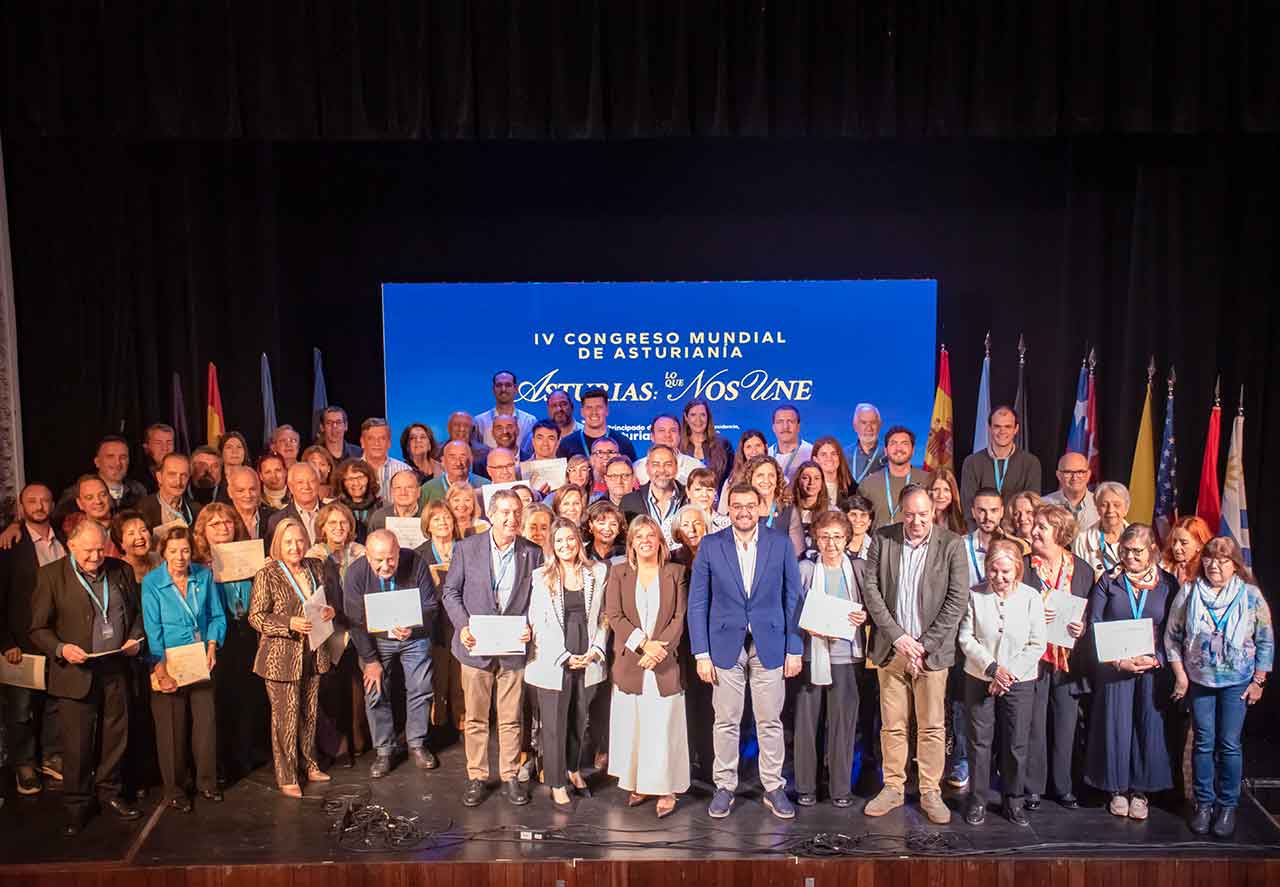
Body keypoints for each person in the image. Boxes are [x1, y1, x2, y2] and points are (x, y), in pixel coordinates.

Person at [688, 484, 803, 820]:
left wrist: (794, 648)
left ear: (761, 507)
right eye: (736, 506)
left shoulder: (780, 544)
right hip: (724, 647)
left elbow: (792, 598)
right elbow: (698, 603)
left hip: (770, 644)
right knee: (726, 721)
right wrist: (701, 653)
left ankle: (773, 786)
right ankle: (725, 786)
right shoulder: (711, 546)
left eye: (750, 506)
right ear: (728, 509)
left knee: (770, 721)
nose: (743, 512)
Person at [860, 484, 969, 825]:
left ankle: (930, 791)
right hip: (892, 650)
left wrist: (923, 645)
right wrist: (899, 638)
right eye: (910, 515)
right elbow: (872, 590)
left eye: (923, 515)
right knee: (892, 726)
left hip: (930, 654)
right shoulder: (883, 539)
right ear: (901, 513)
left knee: (932, 726)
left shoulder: (951, 545)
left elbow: (957, 600)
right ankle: (893, 787)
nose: (917, 521)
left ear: (934, 512)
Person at [29, 520, 144, 835]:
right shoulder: (51, 576)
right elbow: (37, 628)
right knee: (77, 744)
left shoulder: (120, 570)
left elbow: (137, 615)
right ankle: (77, 805)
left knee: (115, 738)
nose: (95, 556)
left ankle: (110, 793)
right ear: (71, 546)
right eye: (88, 551)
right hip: (75, 673)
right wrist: (62, 648)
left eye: (99, 549)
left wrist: (136, 638)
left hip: (115, 668)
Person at [441, 490, 544, 807]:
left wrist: (530, 625)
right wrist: (464, 626)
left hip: (513, 649)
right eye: (504, 512)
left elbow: (537, 599)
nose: (511, 518)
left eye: (516, 512)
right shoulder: (466, 548)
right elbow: (450, 593)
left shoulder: (533, 552)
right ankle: (477, 776)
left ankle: (511, 776)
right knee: (475, 719)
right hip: (475, 648)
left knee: (511, 718)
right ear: (490, 515)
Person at [1166, 536, 1273, 838]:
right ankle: (1204, 804)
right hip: (1199, 681)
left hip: (1236, 683)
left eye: (1223, 559)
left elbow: (1265, 638)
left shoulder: (1250, 596)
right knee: (1203, 742)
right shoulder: (1189, 592)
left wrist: (1259, 681)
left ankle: (1227, 806)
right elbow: (1172, 636)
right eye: (1210, 558)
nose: (1215, 564)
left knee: (1228, 744)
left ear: (1235, 565)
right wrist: (1180, 674)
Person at [1084, 523, 1177, 820]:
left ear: (1152, 550)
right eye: (1125, 550)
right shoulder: (1108, 582)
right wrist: (1116, 661)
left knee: (1148, 726)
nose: (1131, 556)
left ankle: (1141, 791)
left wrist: (1158, 659)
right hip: (1116, 669)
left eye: (1138, 551)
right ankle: (1116, 789)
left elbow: (1174, 630)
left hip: (1153, 669)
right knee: (1115, 726)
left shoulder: (1167, 584)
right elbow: (1095, 625)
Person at [957, 539, 1046, 826]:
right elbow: (965, 638)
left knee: (1015, 744)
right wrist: (993, 669)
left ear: (1018, 570)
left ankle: (1013, 801)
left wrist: (1007, 675)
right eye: (993, 571)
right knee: (979, 743)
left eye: (1006, 572)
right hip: (980, 677)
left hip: (1019, 681)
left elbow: (1037, 643)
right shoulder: (974, 595)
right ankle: (978, 801)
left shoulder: (1031, 597)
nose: (999, 578)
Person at [606, 515, 690, 818]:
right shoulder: (618, 573)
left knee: (663, 727)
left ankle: (666, 788)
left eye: (651, 535)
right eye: (639, 536)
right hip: (632, 662)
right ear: (631, 543)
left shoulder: (676, 572)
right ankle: (640, 783)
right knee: (635, 727)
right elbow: (614, 615)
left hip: (664, 664)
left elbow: (679, 618)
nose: (645, 540)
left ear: (660, 542)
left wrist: (658, 651)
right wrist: (644, 644)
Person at [248, 519, 336, 798]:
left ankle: (310, 764)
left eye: (299, 540)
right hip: (281, 657)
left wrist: (328, 612)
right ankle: (287, 775)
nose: (295, 547)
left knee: (310, 713)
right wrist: (289, 623)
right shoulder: (268, 573)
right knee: (285, 719)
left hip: (314, 650)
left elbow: (321, 602)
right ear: (278, 545)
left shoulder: (315, 566)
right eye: (288, 542)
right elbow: (256, 617)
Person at [525, 518, 609, 806]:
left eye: (570, 539)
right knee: (554, 722)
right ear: (552, 544)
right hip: (554, 658)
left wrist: (595, 649)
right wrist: (563, 656)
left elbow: (604, 617)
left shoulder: (597, 572)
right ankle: (556, 781)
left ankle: (573, 770)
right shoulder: (541, 576)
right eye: (559, 541)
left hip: (587, 654)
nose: (566, 545)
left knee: (578, 718)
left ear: (579, 540)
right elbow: (538, 621)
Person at [141, 526, 225, 812]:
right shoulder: (152, 582)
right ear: (163, 552)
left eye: (185, 550)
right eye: (173, 551)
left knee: (206, 724)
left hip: (201, 658)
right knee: (171, 729)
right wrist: (160, 668)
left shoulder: (203, 575)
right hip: (169, 661)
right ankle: (175, 789)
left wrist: (213, 645)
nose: (180, 557)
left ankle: (207, 783)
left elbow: (216, 615)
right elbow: (152, 629)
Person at [344, 529, 438, 777]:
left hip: (413, 636)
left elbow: (430, 604)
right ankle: (385, 750)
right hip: (375, 640)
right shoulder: (355, 573)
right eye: (379, 560)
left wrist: (414, 624)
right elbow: (355, 621)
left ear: (399, 551)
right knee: (375, 690)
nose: (386, 565)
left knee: (421, 686)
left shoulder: (416, 562)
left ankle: (417, 743)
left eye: (391, 558)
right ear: (367, 556)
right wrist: (370, 660)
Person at [794, 511, 868, 808]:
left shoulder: (860, 569)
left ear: (847, 538)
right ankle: (805, 787)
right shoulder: (805, 570)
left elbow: (873, 606)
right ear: (815, 538)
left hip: (847, 657)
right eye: (824, 537)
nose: (831, 544)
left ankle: (840, 788)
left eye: (837, 537)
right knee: (807, 725)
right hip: (812, 656)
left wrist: (865, 616)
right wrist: (804, 622)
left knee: (843, 725)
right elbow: (790, 608)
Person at [192, 503, 267, 785]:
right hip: (217, 637)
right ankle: (222, 763)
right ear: (203, 531)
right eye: (215, 524)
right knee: (221, 699)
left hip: (247, 631)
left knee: (248, 694)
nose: (223, 528)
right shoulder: (197, 564)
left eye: (227, 523)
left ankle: (245, 754)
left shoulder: (247, 556)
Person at [1023, 504, 1093, 810]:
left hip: (1069, 662)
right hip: (1034, 658)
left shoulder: (1083, 569)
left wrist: (1083, 627)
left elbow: (1093, 613)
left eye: (1042, 527)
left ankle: (1063, 786)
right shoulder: (1024, 567)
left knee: (1066, 724)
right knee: (1034, 723)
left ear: (1060, 533)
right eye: (1034, 525)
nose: (1034, 531)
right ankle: (1033, 787)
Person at [0, 484, 67, 796]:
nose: (39, 506)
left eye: (44, 500)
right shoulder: (10, 544)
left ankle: (52, 758)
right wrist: (5, 642)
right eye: (32, 501)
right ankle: (24, 765)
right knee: (21, 708)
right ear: (20, 506)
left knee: (56, 702)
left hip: (58, 639)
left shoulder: (66, 539)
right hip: (21, 642)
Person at [943, 486, 1005, 792]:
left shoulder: (1012, 547)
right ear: (972, 511)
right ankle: (963, 759)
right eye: (981, 510)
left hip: (1000, 636)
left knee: (1001, 700)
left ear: (1002, 511)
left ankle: (999, 763)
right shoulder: (957, 545)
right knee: (962, 701)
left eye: (993, 510)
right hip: (964, 634)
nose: (987, 516)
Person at [309, 501, 370, 768]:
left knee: (357, 688)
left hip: (356, 628)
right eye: (332, 523)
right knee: (330, 692)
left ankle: (358, 740)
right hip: (327, 634)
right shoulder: (313, 555)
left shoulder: (360, 552)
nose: (338, 528)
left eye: (343, 523)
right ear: (322, 527)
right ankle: (337, 745)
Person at [417, 502, 465, 732]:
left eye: (447, 517)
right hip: (434, 622)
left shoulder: (466, 548)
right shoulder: (420, 554)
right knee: (437, 670)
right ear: (427, 525)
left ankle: (461, 716)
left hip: (461, 618)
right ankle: (438, 721)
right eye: (436, 519)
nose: (443, 523)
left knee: (460, 672)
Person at [959, 406, 1043, 519]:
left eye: (1008, 426)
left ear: (1016, 429)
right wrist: (978, 535)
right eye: (997, 426)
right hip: (982, 530)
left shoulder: (1031, 463)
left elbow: (1032, 506)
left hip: (1017, 532)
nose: (1002, 431)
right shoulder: (972, 462)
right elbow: (968, 506)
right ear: (989, 428)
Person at [50, 435, 146, 528]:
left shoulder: (138, 490)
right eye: (110, 456)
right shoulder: (74, 494)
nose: (117, 463)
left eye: (123, 457)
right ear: (97, 462)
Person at [857, 426, 930, 529]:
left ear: (913, 450)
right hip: (877, 544)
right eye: (893, 443)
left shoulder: (928, 481)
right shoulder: (868, 484)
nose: (899, 448)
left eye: (904, 443)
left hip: (917, 543)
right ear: (886, 450)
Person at [619, 444, 686, 543]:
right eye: (655, 464)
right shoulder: (629, 502)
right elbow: (623, 541)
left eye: (668, 464)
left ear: (676, 467)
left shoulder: (689, 498)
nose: (662, 470)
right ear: (647, 468)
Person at [554, 387, 637, 461]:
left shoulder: (623, 443)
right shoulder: (567, 444)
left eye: (599, 407)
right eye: (589, 408)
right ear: (582, 412)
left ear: (607, 410)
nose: (594, 412)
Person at [1072, 481, 1131, 580]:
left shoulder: (1140, 538)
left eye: (1116, 505)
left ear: (1126, 509)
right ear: (1097, 509)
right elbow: (1078, 580)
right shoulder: (1082, 539)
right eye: (1104, 505)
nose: (1110, 510)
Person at [679, 398, 733, 492]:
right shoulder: (678, 447)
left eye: (702, 415)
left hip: (718, 503)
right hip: (685, 504)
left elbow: (732, 478)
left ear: (708, 417)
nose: (698, 420)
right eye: (693, 415)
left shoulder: (723, 445)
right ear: (686, 417)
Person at [474, 370, 538, 450]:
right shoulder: (480, 422)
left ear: (515, 389)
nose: (503, 389)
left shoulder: (529, 421)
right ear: (493, 389)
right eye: (499, 385)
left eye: (508, 385)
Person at [265, 462, 325, 545]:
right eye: (300, 482)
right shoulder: (277, 520)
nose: (307, 486)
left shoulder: (333, 514)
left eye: (312, 481)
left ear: (318, 483)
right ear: (290, 486)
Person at [139, 453, 202, 530]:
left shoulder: (197, 510)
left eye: (184, 475)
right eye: (172, 475)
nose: (178, 482)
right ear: (159, 477)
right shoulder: (142, 509)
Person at [634, 414, 702, 485]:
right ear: (652, 436)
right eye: (661, 430)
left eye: (673, 430)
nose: (667, 435)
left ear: (679, 436)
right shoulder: (637, 468)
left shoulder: (696, 467)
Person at [715, 429, 768, 514]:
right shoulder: (732, 480)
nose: (754, 451)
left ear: (765, 447)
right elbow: (722, 512)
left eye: (758, 445)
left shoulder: (775, 476)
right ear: (743, 451)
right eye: (748, 447)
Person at [1043, 452, 1098, 534]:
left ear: (1088, 475)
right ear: (1058, 475)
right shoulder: (1043, 504)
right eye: (1068, 472)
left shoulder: (1100, 504)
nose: (1074, 478)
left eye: (1080, 472)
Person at [359, 418, 413, 500]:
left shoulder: (404, 470)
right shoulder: (350, 471)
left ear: (389, 443)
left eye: (382, 438)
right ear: (362, 442)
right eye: (371, 438)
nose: (377, 443)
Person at [788, 460, 833, 560]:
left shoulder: (832, 513)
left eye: (817, 478)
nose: (811, 482)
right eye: (805, 478)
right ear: (798, 481)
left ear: (822, 483)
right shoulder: (787, 511)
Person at [421, 440, 488, 504]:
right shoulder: (428, 489)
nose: (458, 463)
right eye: (452, 457)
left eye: (462, 456)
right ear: (443, 461)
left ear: (471, 460)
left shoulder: (485, 486)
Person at [333, 458, 381, 543]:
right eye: (350, 479)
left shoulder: (382, 506)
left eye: (360, 477)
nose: (356, 483)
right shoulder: (332, 508)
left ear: (369, 479)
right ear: (342, 482)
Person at [1161, 515, 1213, 586]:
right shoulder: (1163, 566)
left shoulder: (1208, 571)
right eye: (1174, 541)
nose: (1176, 547)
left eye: (1184, 543)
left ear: (1200, 544)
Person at [767, 404, 812, 483]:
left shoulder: (811, 452)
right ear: (773, 428)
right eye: (780, 422)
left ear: (798, 426)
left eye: (790, 421)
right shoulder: (766, 454)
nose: (785, 427)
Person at [225, 466, 272, 541]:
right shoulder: (222, 519)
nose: (248, 495)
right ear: (230, 492)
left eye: (252, 489)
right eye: (241, 490)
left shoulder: (273, 517)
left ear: (259, 489)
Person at [844, 403, 887, 487]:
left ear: (880, 425)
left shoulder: (889, 454)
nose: (869, 428)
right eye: (864, 423)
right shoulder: (843, 455)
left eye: (873, 422)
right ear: (855, 426)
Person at [811, 435, 855, 505]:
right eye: (823, 454)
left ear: (839, 458)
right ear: (815, 460)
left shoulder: (852, 489)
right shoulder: (808, 487)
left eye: (833, 454)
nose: (829, 458)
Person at [685, 467, 731, 533]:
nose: (704, 494)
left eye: (709, 490)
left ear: (715, 492)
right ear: (688, 491)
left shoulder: (728, 525)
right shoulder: (676, 523)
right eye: (698, 489)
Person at [133, 423, 176, 494]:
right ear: (146, 447)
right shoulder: (136, 478)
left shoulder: (183, 473)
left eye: (169, 443)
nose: (165, 448)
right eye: (158, 443)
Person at [1002, 490, 1043, 554]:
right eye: (1016, 514)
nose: (1022, 518)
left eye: (1029, 512)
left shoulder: (1050, 545)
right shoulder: (1006, 547)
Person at [929, 468, 967, 534]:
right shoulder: (921, 520)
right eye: (936, 489)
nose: (941, 495)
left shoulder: (962, 520)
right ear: (928, 492)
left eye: (946, 490)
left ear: (953, 492)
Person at [841, 494, 875, 560]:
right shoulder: (833, 545)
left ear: (869, 522)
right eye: (853, 515)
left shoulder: (876, 549)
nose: (858, 520)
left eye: (863, 515)